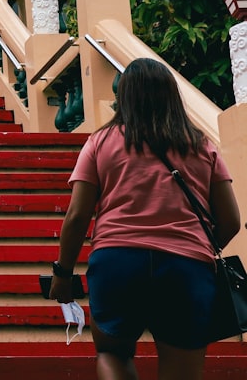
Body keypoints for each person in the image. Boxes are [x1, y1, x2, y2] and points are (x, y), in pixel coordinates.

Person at [50, 57, 241, 380]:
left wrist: (63, 273)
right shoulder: (200, 145)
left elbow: (78, 214)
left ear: (122, 96)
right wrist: (195, 249)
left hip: (117, 262)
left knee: (112, 352)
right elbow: (231, 220)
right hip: (185, 268)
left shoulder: (100, 141)